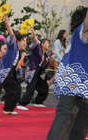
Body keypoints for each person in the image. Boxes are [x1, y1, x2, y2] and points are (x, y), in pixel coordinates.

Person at [47, 6, 88, 140]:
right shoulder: (82, 32)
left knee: (80, 116)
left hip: (80, 82)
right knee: (65, 113)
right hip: (72, 80)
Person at [17, 29, 51, 110]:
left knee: (44, 88)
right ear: (42, 44)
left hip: (40, 72)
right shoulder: (38, 50)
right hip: (33, 71)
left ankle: (37, 101)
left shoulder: (45, 55)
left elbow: (46, 62)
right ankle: (21, 104)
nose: (48, 44)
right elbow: (36, 41)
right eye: (46, 43)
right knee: (31, 88)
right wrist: (34, 34)